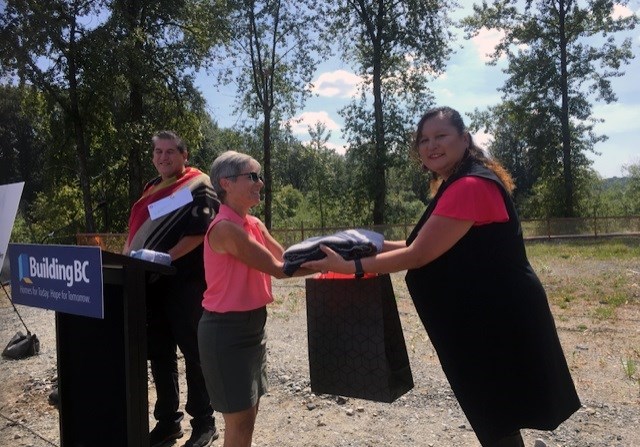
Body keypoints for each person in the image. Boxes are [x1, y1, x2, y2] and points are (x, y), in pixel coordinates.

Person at [301, 106, 581, 447]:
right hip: (487, 310)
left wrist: (352, 267)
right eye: (423, 140)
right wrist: (362, 244)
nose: (431, 145)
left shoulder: (469, 186)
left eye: (441, 136)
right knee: (496, 407)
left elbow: (417, 255)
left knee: (493, 408)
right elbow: (421, 244)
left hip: (495, 315)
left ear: (464, 139)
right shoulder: (459, 182)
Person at [198, 150, 311, 447]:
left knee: (248, 417)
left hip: (252, 328)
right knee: (240, 423)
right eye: (252, 177)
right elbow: (279, 268)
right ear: (226, 183)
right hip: (226, 332)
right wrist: (339, 264)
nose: (260, 183)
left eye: (259, 176)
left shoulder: (254, 224)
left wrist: (329, 252)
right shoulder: (225, 229)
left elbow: (287, 256)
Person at [123, 130, 219, 447]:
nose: (164, 157)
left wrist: (165, 257)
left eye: (170, 152)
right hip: (150, 284)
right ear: (153, 157)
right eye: (158, 152)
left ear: (184, 155)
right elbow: (143, 229)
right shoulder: (152, 187)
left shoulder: (198, 183)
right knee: (160, 354)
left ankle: (204, 422)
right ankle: (168, 423)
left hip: (187, 282)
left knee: (195, 353)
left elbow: (200, 232)